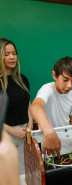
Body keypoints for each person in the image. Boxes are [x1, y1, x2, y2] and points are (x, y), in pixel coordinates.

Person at [30, 56, 72, 158]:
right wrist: (49, 131)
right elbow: (35, 107)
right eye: (65, 80)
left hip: (68, 143)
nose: (69, 85)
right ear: (54, 75)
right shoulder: (47, 90)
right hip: (49, 143)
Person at [0, 38, 33, 174]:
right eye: (7, 54)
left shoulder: (22, 79)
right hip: (5, 135)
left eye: (14, 53)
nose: (12, 57)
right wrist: (13, 132)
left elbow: (28, 105)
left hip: (25, 135)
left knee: (26, 172)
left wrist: (29, 127)